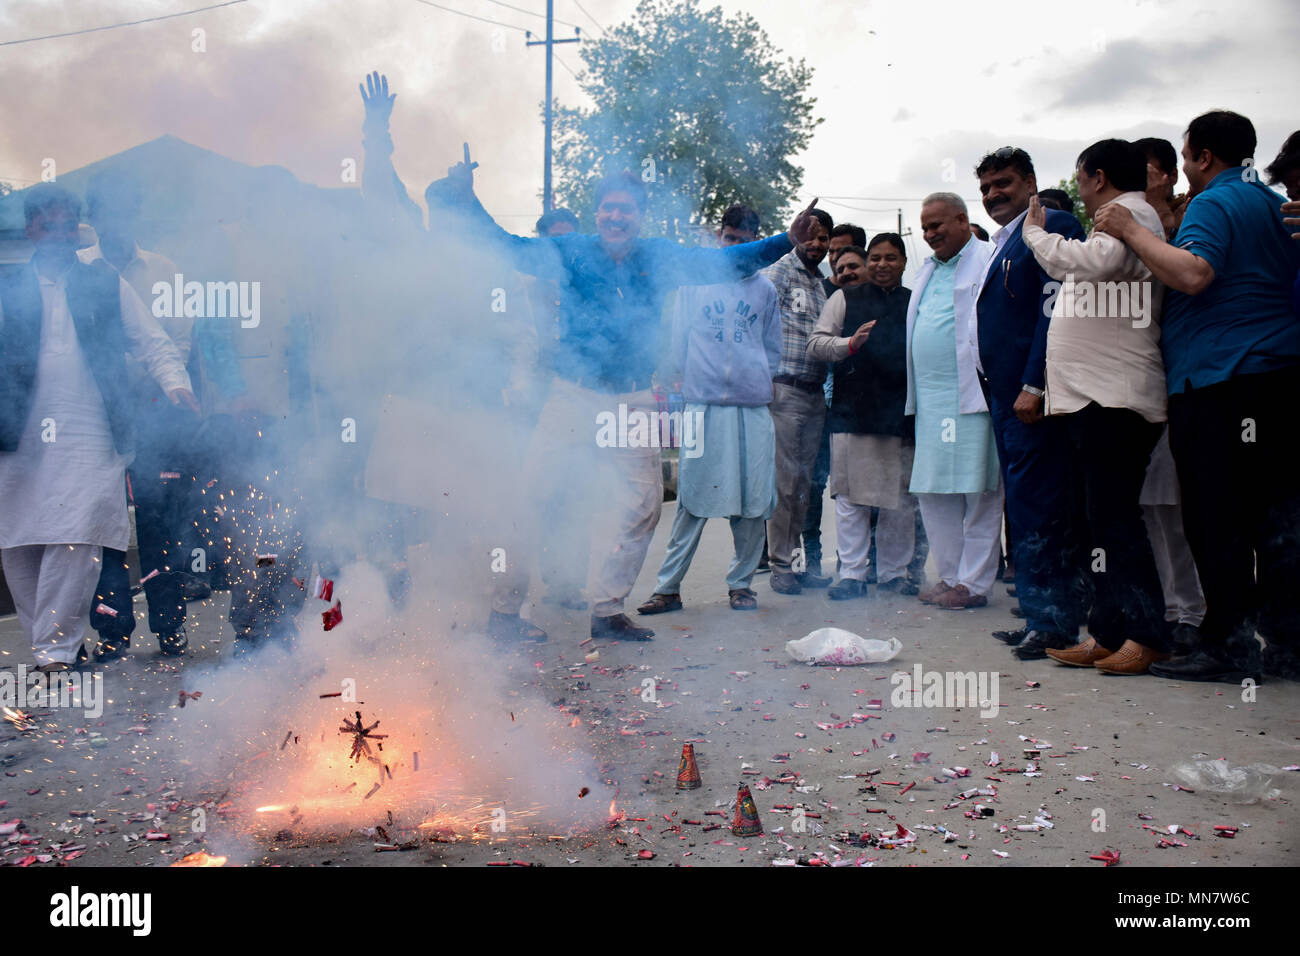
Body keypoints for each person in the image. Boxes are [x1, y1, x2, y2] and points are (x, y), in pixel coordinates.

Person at [430, 150, 822, 641]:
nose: (616, 216)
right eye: (608, 208)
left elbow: (725, 262)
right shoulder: (571, 251)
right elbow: (505, 246)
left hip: (634, 400)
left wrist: (786, 240)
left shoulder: (661, 256)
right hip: (573, 396)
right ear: (598, 214)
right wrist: (467, 202)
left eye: (627, 209)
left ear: (639, 217)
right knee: (533, 497)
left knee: (642, 503)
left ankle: (608, 610)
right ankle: (504, 615)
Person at [1095, 110, 1300, 682]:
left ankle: (1229, 646)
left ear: (1205, 157)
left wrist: (1131, 232)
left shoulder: (1212, 202)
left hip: (1220, 380)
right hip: (1278, 376)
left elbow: (1195, 274)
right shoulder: (1269, 202)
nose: (1184, 170)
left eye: (1186, 158)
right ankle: (1285, 643)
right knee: (1276, 520)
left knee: (1217, 520)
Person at [0, 184, 196, 673]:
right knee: (20, 541)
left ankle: (55, 651)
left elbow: (153, 342)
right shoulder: (7, 288)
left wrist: (176, 385)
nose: (60, 235)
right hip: (16, 431)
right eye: (49, 225)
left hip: (92, 428)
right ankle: (46, 641)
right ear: (31, 230)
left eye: (69, 225)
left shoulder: (104, 282)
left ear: (77, 228)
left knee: (79, 532)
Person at [1022, 139, 1171, 674]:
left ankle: (1147, 634)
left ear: (1098, 177)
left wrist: (1036, 232)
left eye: (1081, 179)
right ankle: (1108, 632)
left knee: (1115, 521)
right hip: (1093, 399)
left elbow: (1082, 263)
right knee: (1097, 521)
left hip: (1115, 398)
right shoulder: (1120, 217)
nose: (1080, 189)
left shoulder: (1130, 212)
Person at [972, 147, 1088, 660]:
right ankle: (1040, 617)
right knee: (1022, 506)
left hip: (1031, 394)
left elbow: (1054, 307)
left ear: (1030, 182)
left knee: (1041, 506)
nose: (993, 194)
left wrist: (1035, 382)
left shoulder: (1051, 223)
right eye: (986, 188)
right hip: (1003, 396)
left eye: (1004, 184)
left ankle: (1056, 622)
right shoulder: (1003, 241)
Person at [636, 205, 781, 614]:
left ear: (757, 241)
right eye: (729, 238)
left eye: (743, 240)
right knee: (692, 500)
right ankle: (668, 588)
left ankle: (741, 585)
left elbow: (773, 350)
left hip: (752, 408)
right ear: (720, 238)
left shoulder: (766, 290)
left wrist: (752, 382)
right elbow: (678, 342)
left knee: (753, 502)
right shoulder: (694, 287)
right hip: (702, 405)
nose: (734, 247)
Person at [906, 193, 1002, 610]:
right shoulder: (927, 269)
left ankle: (974, 584)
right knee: (934, 491)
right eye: (925, 228)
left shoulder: (989, 256)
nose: (929, 235)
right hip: (931, 400)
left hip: (972, 394)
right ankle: (949, 576)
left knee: (979, 490)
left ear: (963, 220)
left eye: (936, 226)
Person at [806, 238, 915, 599]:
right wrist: (849, 344)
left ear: (902, 262)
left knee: (897, 498)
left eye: (891, 258)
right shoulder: (844, 299)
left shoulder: (914, 300)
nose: (882, 264)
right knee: (851, 499)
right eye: (876, 258)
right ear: (868, 262)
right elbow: (816, 344)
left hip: (901, 412)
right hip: (852, 411)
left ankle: (893, 574)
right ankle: (851, 575)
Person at [762, 207, 835, 595]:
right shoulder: (778, 271)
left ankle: (794, 563)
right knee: (785, 484)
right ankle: (779, 567)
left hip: (814, 394)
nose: (817, 244)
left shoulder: (821, 284)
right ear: (795, 233)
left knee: (805, 485)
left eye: (824, 238)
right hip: (783, 390)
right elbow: (757, 321)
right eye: (810, 235)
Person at [801, 221, 866, 581]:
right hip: (815, 400)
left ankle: (856, 563)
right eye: (833, 255)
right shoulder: (820, 289)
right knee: (812, 482)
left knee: (856, 485)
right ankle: (809, 561)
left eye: (845, 252)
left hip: (854, 407)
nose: (838, 261)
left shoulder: (875, 296)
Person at [1135, 136, 1187, 239]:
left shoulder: (1193, 215)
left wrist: (1159, 208)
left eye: (1148, 176)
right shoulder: (1127, 218)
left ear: (1173, 175)